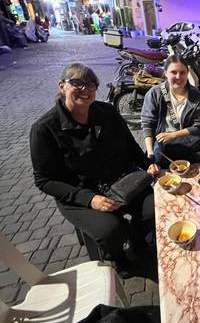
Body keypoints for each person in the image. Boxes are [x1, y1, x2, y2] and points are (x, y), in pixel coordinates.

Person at [30, 63, 161, 277]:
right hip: (81, 193)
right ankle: (118, 258)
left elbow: (130, 146)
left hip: (122, 183)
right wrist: (90, 199)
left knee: (156, 206)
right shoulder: (44, 128)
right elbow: (44, 180)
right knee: (111, 229)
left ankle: (137, 239)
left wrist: (148, 165)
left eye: (91, 85)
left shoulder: (107, 111)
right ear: (62, 86)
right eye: (77, 83)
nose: (86, 89)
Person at [141, 54, 200, 164]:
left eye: (182, 72)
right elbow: (148, 124)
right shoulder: (155, 94)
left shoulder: (196, 95)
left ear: (187, 74)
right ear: (166, 73)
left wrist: (173, 135)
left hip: (190, 143)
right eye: (173, 72)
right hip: (163, 145)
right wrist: (150, 154)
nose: (178, 76)